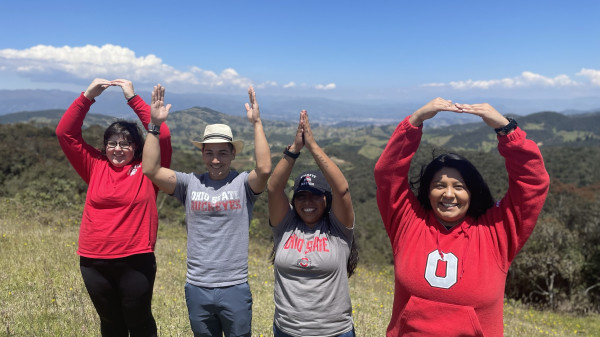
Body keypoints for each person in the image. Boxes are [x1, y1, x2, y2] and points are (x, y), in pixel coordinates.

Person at [374, 98, 550, 337]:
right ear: (428, 191)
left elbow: (532, 184)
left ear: (472, 191)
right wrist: (415, 121)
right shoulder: (408, 223)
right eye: (439, 185)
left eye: (458, 186)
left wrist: (507, 131)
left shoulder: (496, 233)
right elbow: (388, 174)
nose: (448, 194)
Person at [142, 86, 271, 337]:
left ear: (233, 153)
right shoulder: (188, 183)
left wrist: (256, 123)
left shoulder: (243, 184)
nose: (215, 160)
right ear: (202, 154)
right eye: (209, 153)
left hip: (234, 285)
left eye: (223, 152)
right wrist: (154, 125)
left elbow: (265, 169)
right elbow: (151, 169)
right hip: (197, 286)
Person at [56, 79, 172, 337]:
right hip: (93, 261)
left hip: (135, 258)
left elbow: (161, 135)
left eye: (126, 143)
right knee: (110, 323)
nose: (118, 149)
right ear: (105, 145)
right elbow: (65, 133)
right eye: (112, 143)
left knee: (139, 321)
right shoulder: (94, 165)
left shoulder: (148, 169)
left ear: (137, 148)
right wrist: (87, 96)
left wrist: (133, 98)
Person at [267, 109, 357, 337]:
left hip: (334, 332)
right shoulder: (285, 226)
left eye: (316, 195)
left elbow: (343, 190)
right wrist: (294, 150)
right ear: (294, 200)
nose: (308, 201)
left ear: (327, 200)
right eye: (301, 195)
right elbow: (273, 189)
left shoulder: (338, 230)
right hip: (287, 330)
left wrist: (313, 147)